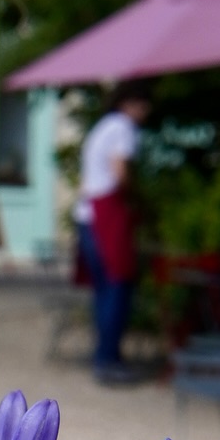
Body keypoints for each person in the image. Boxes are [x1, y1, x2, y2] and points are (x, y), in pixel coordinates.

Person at [74, 86, 151, 383]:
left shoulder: (102, 127)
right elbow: (119, 173)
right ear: (128, 104)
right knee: (118, 287)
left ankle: (105, 356)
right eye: (142, 104)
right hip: (107, 215)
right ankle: (108, 359)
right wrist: (138, 197)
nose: (145, 112)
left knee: (104, 290)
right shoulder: (122, 127)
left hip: (88, 216)